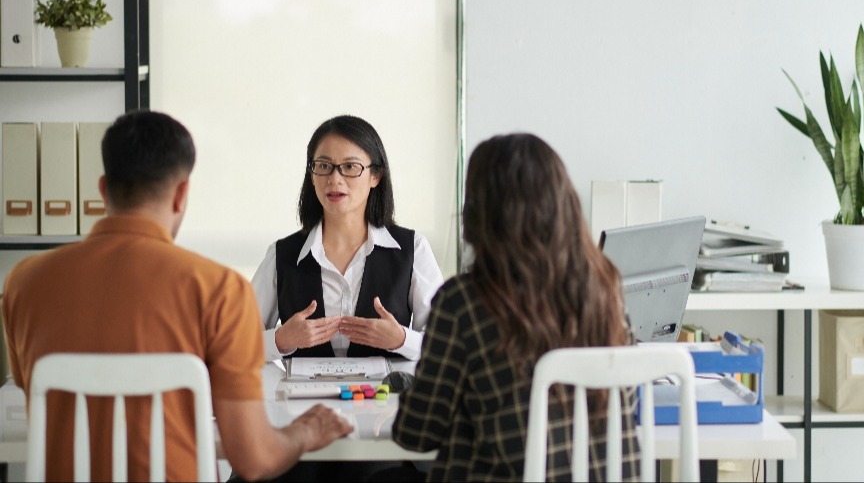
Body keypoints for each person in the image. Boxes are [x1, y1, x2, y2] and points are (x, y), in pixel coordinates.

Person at [2, 111, 353, 482]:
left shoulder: (23, 283)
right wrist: (306, 431)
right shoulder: (217, 289)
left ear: (104, 190)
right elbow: (255, 460)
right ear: (182, 193)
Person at [391, 133, 642, 481]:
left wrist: (407, 388)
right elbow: (625, 403)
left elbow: (416, 434)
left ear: (479, 214)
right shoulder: (605, 286)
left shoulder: (463, 302)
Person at [251, 115, 443, 363]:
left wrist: (402, 340)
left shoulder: (412, 249)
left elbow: (446, 343)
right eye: (323, 166)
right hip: (301, 401)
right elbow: (236, 341)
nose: (335, 179)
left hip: (386, 400)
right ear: (312, 174)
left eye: (350, 167)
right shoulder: (282, 254)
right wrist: (279, 341)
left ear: (376, 176)